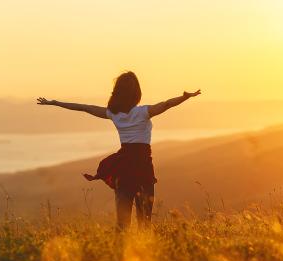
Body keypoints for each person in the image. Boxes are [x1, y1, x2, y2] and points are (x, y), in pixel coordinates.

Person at [36, 71, 201, 229]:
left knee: (122, 224)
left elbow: (84, 107)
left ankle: (118, 253)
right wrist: (185, 97)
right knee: (145, 222)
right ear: (136, 93)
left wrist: (55, 103)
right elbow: (166, 104)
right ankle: (144, 254)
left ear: (117, 93)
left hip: (124, 168)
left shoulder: (114, 114)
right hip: (143, 167)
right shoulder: (143, 112)